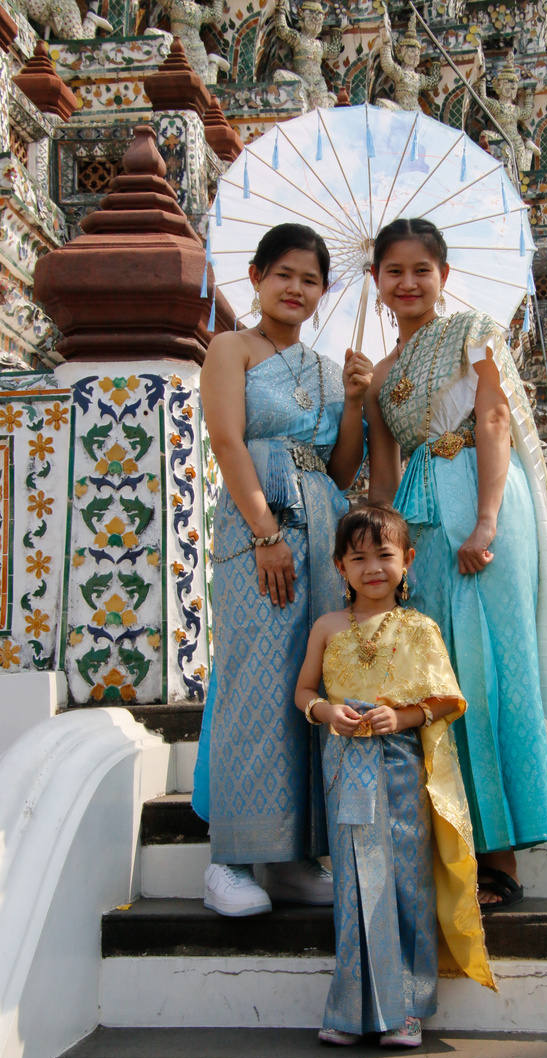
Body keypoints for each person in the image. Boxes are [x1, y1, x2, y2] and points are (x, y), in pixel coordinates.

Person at [364, 217, 547, 910]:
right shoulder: (379, 374)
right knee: (438, 671)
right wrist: (380, 552)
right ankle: (450, 845)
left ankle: (503, 854)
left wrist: (490, 518)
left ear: (442, 276)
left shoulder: (473, 330)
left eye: (421, 270)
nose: (408, 283)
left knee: (492, 665)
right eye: (394, 271)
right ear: (376, 281)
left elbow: (493, 420)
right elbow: (383, 474)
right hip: (421, 515)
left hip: (484, 497)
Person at [193, 222, 372, 916]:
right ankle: (231, 860)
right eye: (284, 275)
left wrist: (355, 402)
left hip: (322, 523)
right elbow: (227, 439)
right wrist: (265, 531)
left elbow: (342, 469)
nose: (296, 289)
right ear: (258, 277)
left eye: (310, 279)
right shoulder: (230, 348)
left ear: (323, 291)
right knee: (255, 678)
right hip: (256, 525)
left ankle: (295, 856)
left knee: (312, 679)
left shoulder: (329, 370)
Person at [295, 503, 495, 1048]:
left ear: (407, 560)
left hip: (403, 771)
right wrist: (326, 713)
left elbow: (447, 701)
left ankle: (407, 1007)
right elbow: (304, 692)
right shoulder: (327, 627)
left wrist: (403, 716)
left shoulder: (420, 629)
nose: (372, 568)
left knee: (406, 885)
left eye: (384, 555)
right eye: (357, 557)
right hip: (345, 770)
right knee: (356, 887)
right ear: (340, 566)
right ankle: (349, 1010)